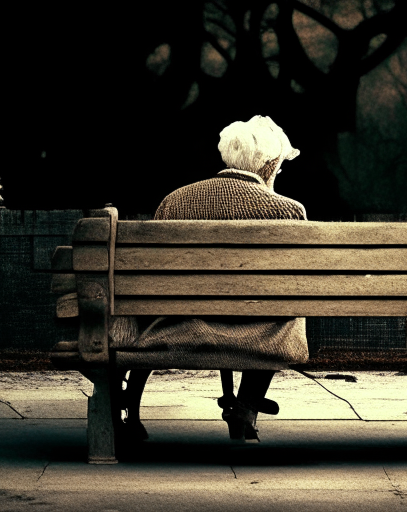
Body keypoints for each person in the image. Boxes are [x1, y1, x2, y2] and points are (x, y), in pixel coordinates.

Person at [114, 115, 309, 442]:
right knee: (289, 311)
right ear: (269, 165)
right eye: (279, 167)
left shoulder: (174, 202)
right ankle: (245, 406)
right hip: (258, 335)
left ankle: (130, 410)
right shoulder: (288, 211)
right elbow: (299, 286)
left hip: (174, 328)